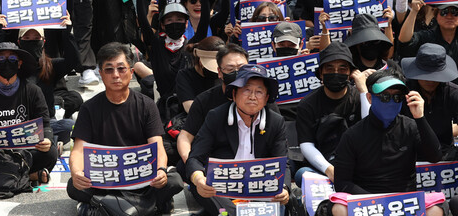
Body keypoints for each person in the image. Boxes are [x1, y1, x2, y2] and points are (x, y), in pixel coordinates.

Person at [68, 43, 184, 214]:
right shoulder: (89, 108)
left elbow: (157, 146)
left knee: (174, 180)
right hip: (105, 180)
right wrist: (77, 172)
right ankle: (148, 206)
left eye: (121, 69)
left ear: (131, 72)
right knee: (74, 186)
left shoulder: (147, 105)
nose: (116, 75)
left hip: (141, 179)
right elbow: (78, 150)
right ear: (100, 74)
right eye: (109, 70)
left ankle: (108, 207)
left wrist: (160, 170)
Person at [331, 69, 444, 216]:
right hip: (367, 202)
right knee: (338, 208)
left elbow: (435, 156)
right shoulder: (352, 135)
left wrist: (420, 118)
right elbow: (342, 183)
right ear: (370, 98)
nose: (391, 102)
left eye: (397, 97)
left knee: (436, 209)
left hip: (405, 201)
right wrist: (377, 201)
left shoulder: (410, 126)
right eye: (384, 97)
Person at [185, 64, 289, 215]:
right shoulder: (216, 116)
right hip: (221, 188)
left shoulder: (276, 122)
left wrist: (285, 189)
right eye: (246, 90)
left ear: (266, 98)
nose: (253, 96)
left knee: (280, 203)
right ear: (234, 94)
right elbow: (195, 157)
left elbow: (282, 163)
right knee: (201, 188)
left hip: (260, 187)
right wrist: (198, 178)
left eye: (259, 92)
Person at [0, 42, 57, 187]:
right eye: (1, 59)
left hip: (24, 152)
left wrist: (47, 140)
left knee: (50, 153)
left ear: (19, 64)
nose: (7, 63)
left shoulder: (33, 91)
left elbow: (45, 124)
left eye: (12, 59)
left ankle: (1, 176)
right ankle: (28, 176)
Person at [295, 42, 367, 184]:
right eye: (330, 68)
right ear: (321, 73)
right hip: (323, 168)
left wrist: (363, 90)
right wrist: (329, 169)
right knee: (302, 174)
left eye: (342, 69)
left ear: (350, 73)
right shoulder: (307, 104)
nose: (336, 73)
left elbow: (372, 128)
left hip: (359, 164)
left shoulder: (359, 98)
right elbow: (306, 144)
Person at [401, 43, 458, 160]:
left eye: (435, 76)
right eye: (425, 75)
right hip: (408, 151)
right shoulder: (402, 92)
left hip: (444, 152)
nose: (430, 81)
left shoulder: (453, 93)